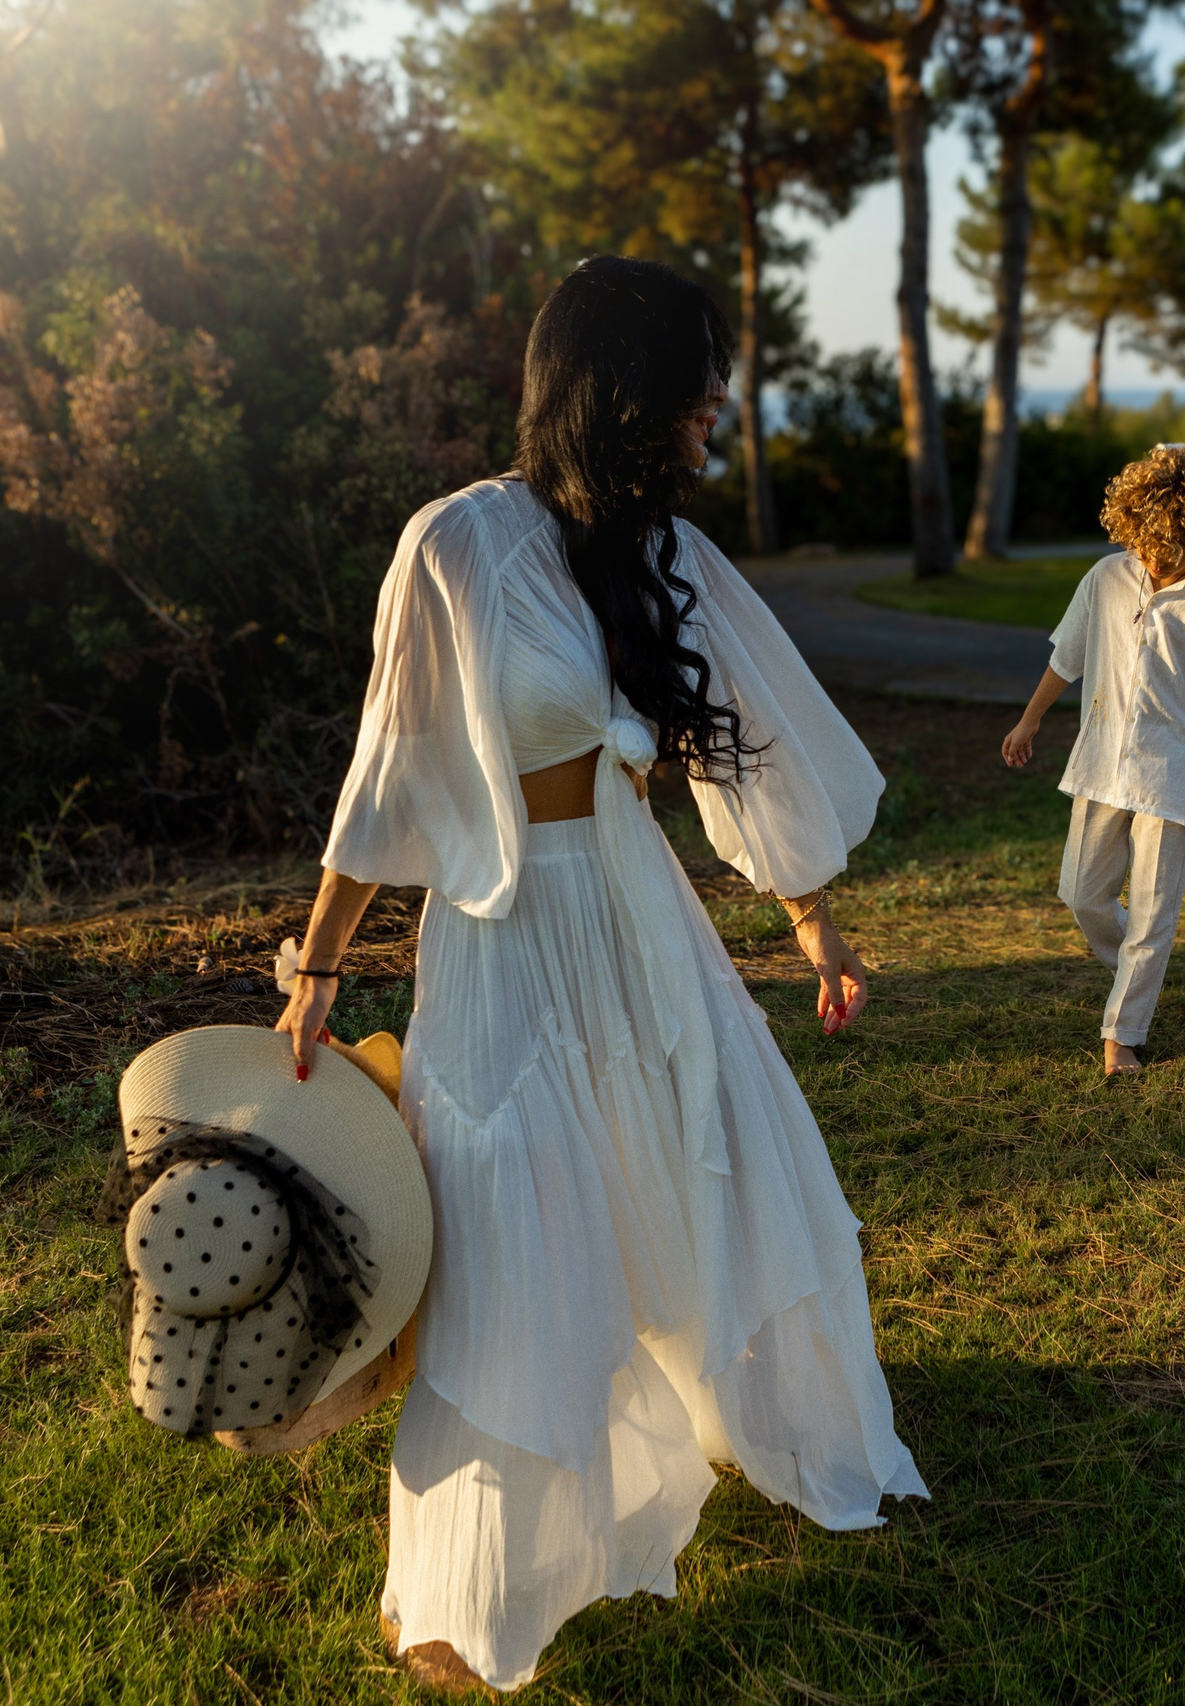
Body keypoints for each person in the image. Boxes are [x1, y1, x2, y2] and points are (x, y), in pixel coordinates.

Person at [273, 256, 926, 1694]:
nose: (719, 401)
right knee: (509, 1214)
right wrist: (317, 961)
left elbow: (744, 748)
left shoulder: (662, 549)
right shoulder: (456, 542)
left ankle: (755, 1419)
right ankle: (482, 1571)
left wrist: (812, 924)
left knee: (703, 1156)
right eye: (699, 372)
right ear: (618, 382)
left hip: (634, 910)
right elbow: (387, 769)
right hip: (502, 927)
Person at [1001, 445, 1185, 1077]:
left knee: (1152, 913)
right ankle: (1143, 968)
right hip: (1101, 763)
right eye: (1142, 542)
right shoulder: (1106, 577)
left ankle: (1122, 1035)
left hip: (1174, 772)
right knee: (1081, 894)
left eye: (1166, 546)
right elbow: (1067, 655)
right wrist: (1030, 718)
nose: (1150, 557)